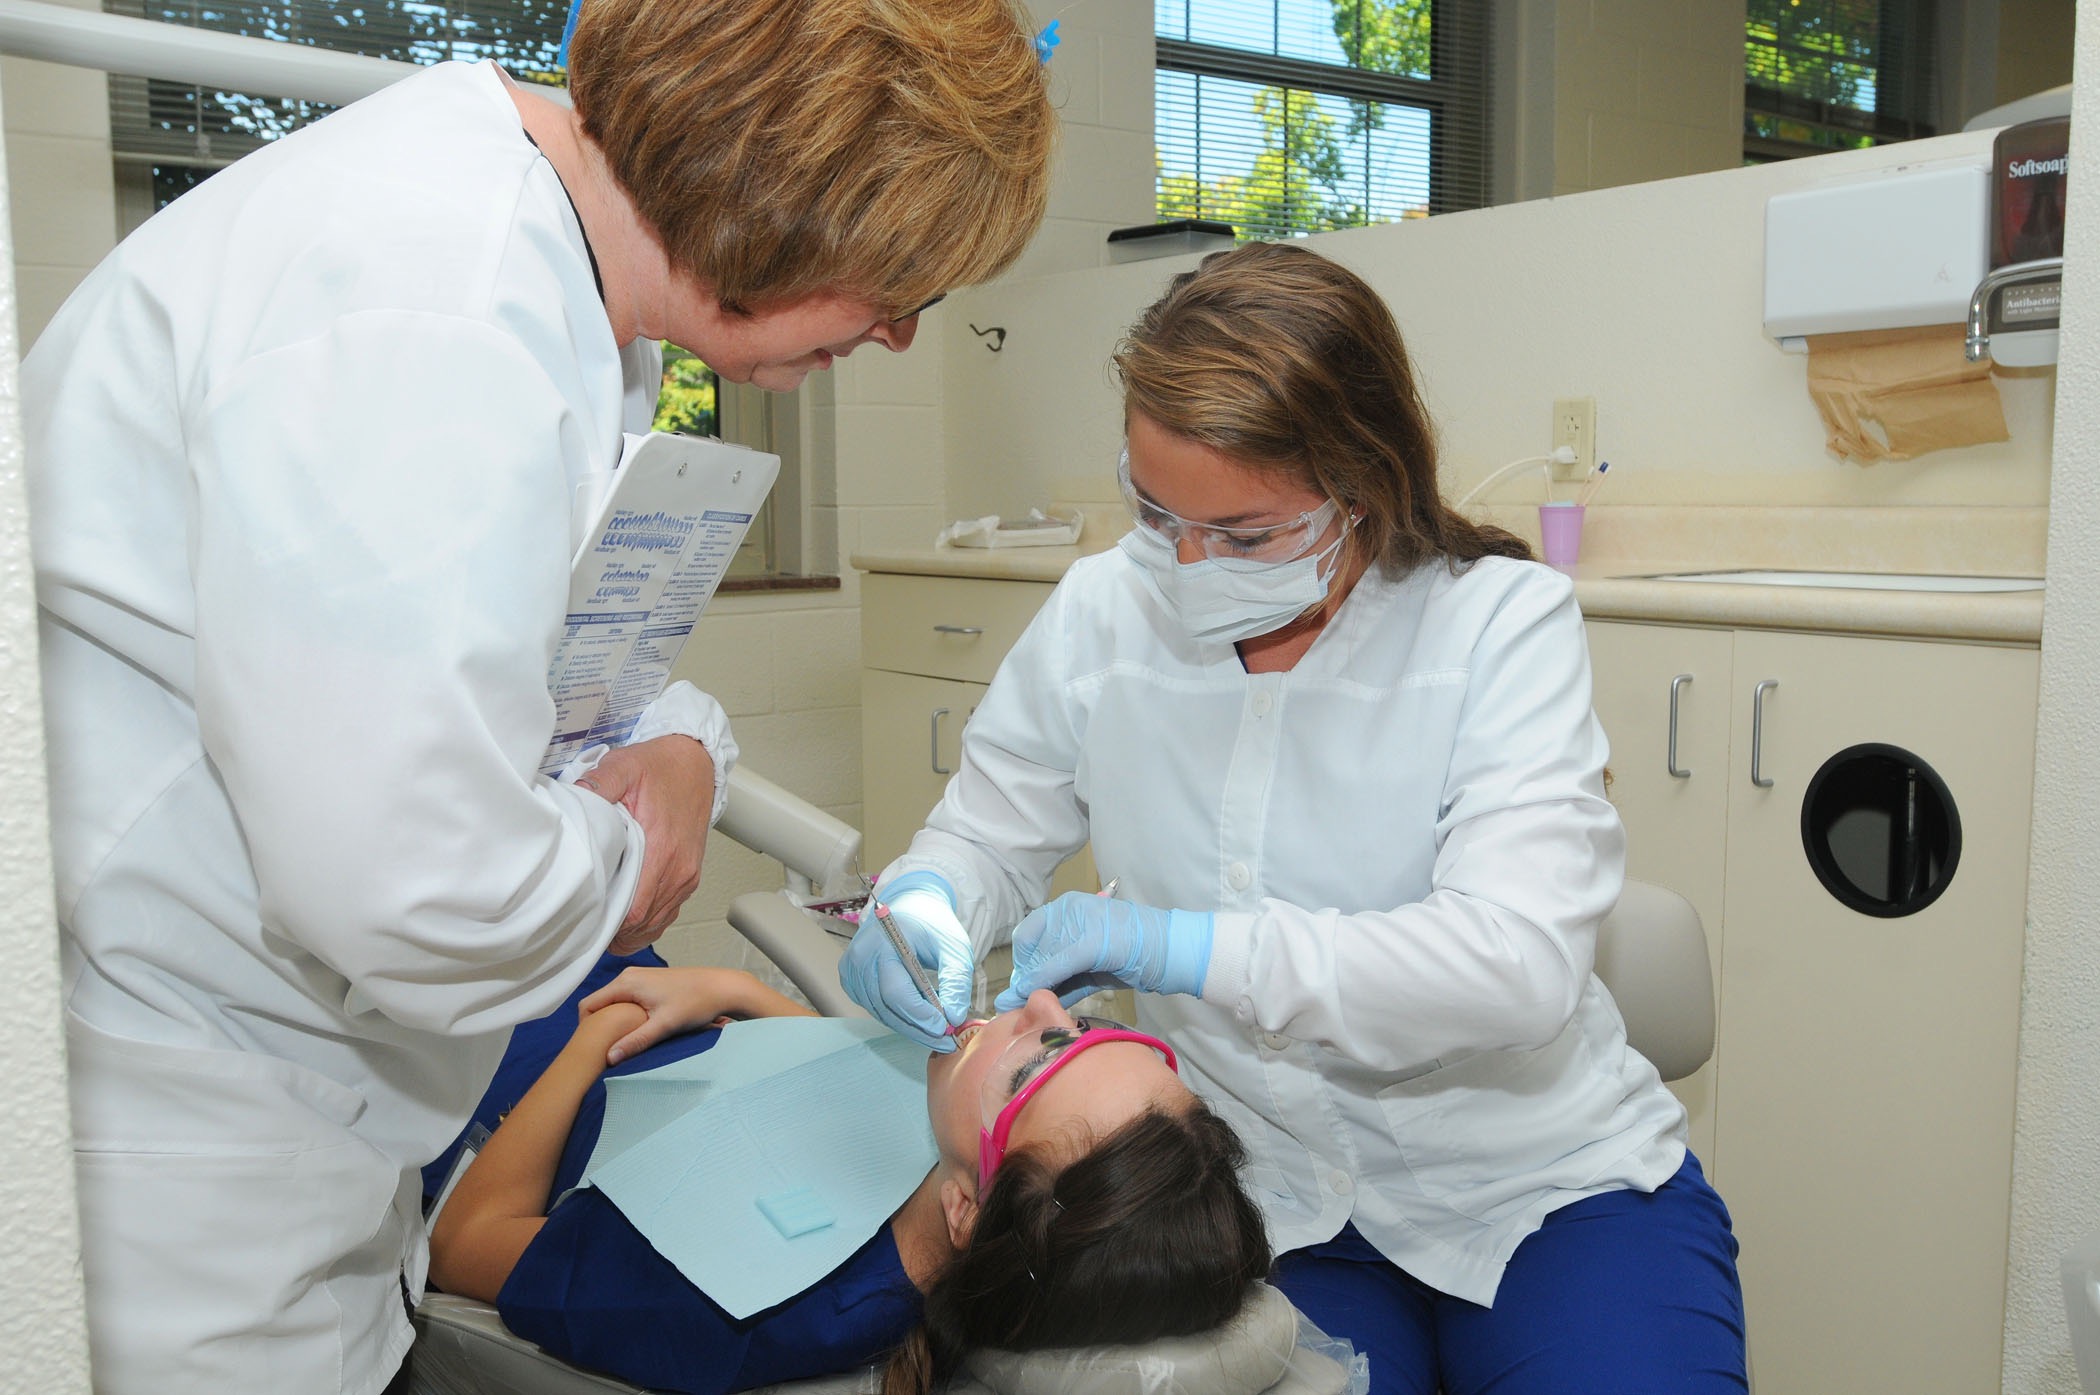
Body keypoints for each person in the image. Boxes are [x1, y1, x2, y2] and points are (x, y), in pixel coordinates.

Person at [26, 2, 1054, 1390]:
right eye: (898, 288)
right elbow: (427, 884)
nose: (896, 339)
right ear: (786, 200)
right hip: (200, 1135)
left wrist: (680, 748)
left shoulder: (543, 278)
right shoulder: (432, 312)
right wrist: (639, 845)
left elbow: (534, 669)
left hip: (325, 1107)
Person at [841, 243, 1748, 1393]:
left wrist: (1173, 947)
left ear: (1362, 480)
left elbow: (1515, 965)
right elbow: (981, 832)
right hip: (1263, 1207)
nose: (1184, 562)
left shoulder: (1498, 627)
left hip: (1541, 1193)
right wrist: (927, 902)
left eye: (1246, 535)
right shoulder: (1100, 614)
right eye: (1154, 508)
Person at [425, 950, 1273, 1395]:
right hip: (642, 1003)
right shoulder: (953, 1160)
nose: (1041, 1005)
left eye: (1033, 1062)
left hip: (494, 1057)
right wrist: (738, 989)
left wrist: (588, 1039)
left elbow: (466, 1240)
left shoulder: (734, 1300)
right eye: (1086, 1026)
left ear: (967, 1212)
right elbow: (845, 1080)